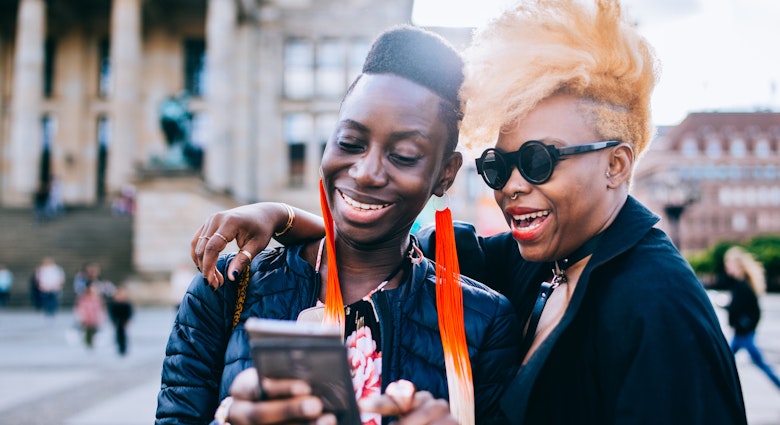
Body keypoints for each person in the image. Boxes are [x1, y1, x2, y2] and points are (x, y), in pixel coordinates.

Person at [191, 1, 748, 423]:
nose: (513, 187)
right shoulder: (544, 261)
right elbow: (391, 244)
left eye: (539, 161)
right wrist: (283, 218)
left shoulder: (658, 306)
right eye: (499, 166)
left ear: (616, 165)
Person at [158, 26, 520, 425]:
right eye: (350, 143)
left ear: (446, 173)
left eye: (403, 155)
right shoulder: (225, 290)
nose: (365, 172)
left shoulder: (485, 321)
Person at [723, 246, 780, 390]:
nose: (726, 267)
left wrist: (744, 324)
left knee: (726, 360)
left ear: (738, 265)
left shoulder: (743, 286)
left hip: (744, 333)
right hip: (741, 332)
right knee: (726, 359)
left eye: (729, 263)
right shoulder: (740, 284)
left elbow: (754, 311)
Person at [74, 283, 106, 349]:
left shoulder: (98, 299)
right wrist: (82, 318)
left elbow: (101, 309)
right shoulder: (82, 299)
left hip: (95, 319)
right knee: (87, 332)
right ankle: (88, 345)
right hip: (86, 320)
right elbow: (79, 309)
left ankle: (92, 345)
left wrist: (101, 318)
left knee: (95, 334)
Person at [108, 285, 134, 356]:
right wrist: (113, 320)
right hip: (117, 321)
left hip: (124, 321)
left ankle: (123, 348)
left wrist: (128, 320)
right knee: (118, 335)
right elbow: (111, 313)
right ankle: (120, 348)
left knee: (123, 335)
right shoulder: (113, 304)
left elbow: (129, 313)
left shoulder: (126, 303)